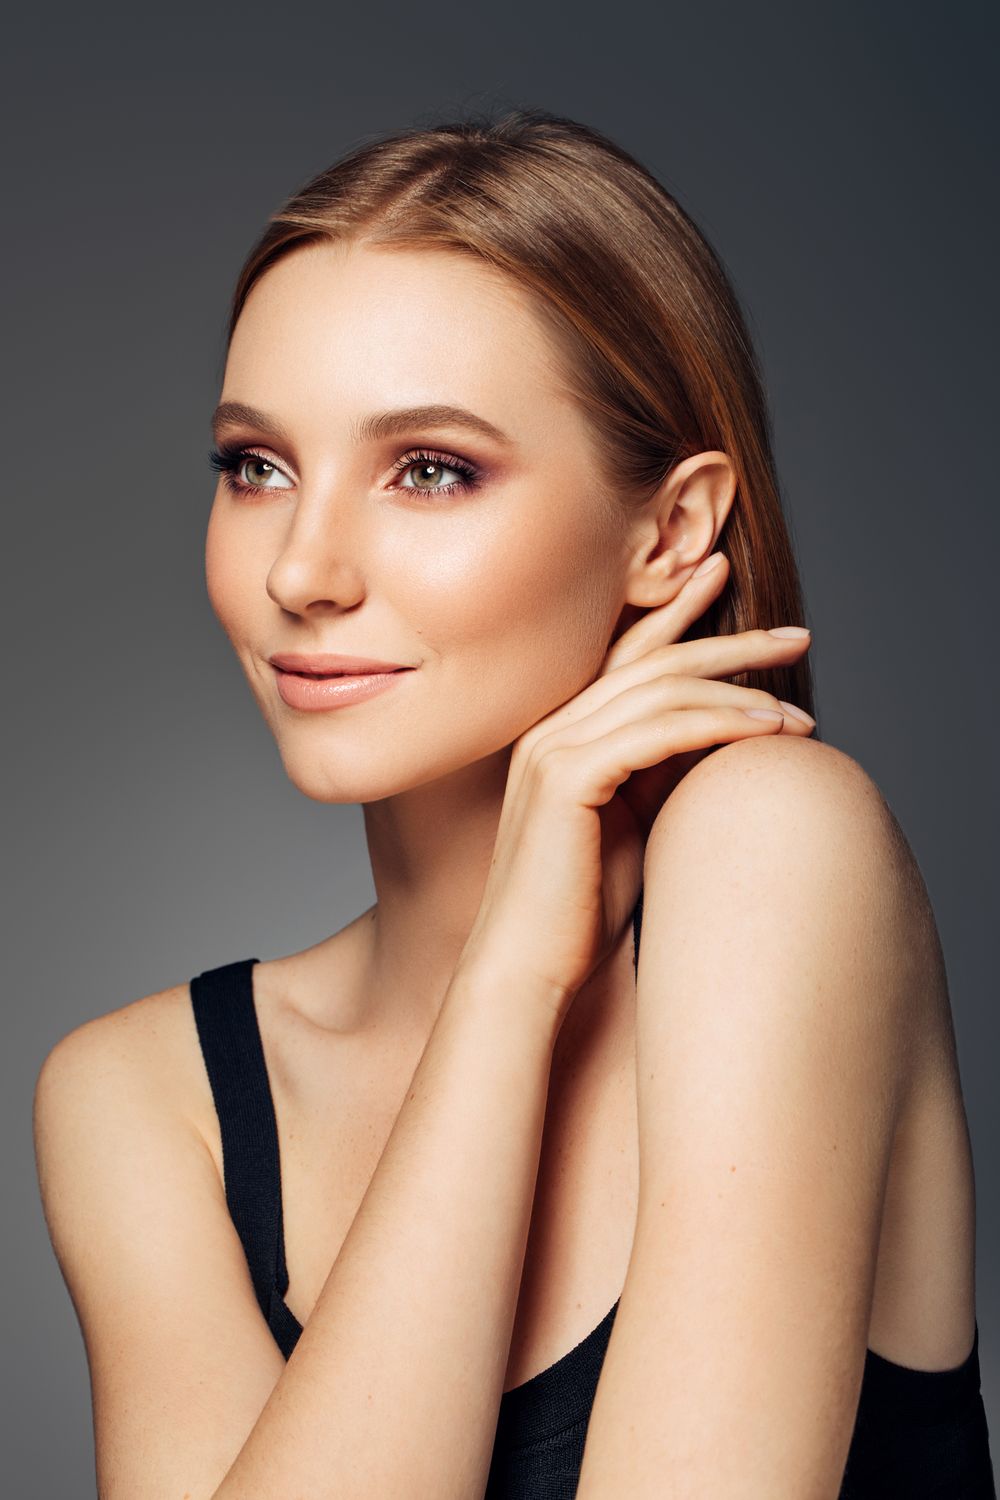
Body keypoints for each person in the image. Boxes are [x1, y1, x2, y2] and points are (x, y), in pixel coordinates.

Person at [33, 108, 995, 1499]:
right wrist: (507, 989)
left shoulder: (776, 850)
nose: (302, 570)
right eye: (257, 465)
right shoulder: (144, 1099)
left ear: (668, 538)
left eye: (430, 470)